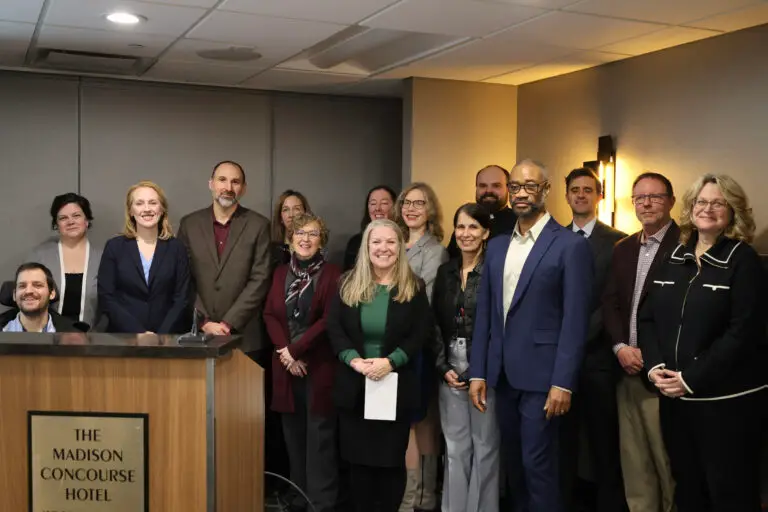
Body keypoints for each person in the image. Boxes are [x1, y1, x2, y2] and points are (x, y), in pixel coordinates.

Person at [469, 159, 593, 512]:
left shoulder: (570, 246)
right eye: (516, 187)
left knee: (539, 466)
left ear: (546, 191)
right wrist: (479, 371)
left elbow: (575, 321)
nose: (522, 194)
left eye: (530, 186)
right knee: (515, 467)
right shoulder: (496, 247)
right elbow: (487, 317)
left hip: (544, 378)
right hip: (503, 376)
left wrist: (563, 383)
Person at [640, 174, 767, 512]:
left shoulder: (744, 261)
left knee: (730, 491)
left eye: (717, 202)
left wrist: (690, 378)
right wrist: (654, 369)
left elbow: (743, 333)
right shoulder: (675, 256)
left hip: (726, 403)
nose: (707, 209)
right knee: (688, 487)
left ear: (733, 212)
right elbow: (647, 318)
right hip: (675, 400)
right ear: (690, 208)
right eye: (701, 202)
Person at [177, 161, 278, 475]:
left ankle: (244, 483)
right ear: (210, 183)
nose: (228, 187)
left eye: (235, 182)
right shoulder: (189, 224)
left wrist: (229, 323)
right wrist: (205, 320)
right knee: (199, 418)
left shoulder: (259, 225)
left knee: (245, 421)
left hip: (246, 338)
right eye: (222, 180)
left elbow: (261, 278)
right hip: (199, 335)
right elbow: (183, 279)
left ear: (243, 189)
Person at [327, 219, 432, 512]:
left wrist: (391, 362)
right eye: (376, 242)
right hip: (355, 387)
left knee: (389, 467)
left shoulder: (414, 286)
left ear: (399, 247)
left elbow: (420, 333)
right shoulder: (347, 283)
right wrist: (354, 361)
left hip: (394, 390)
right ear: (366, 247)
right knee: (357, 469)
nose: (383, 248)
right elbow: (334, 328)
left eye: (390, 242)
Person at [602, 172, 678, 512]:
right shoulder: (623, 248)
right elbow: (611, 303)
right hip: (627, 370)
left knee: (669, 464)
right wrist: (620, 346)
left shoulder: (686, 247)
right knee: (635, 464)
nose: (646, 203)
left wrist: (654, 356)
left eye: (655, 196)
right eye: (639, 198)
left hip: (666, 374)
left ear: (671, 202)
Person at [559, 168, 628, 512]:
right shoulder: (553, 238)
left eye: (588, 189)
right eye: (575, 189)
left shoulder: (619, 240)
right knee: (562, 443)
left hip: (599, 357)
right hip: (559, 363)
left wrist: (578, 337)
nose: (581, 195)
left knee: (604, 444)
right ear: (566, 195)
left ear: (600, 195)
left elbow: (613, 300)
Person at [263, 213, 341, 512]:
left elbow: (329, 319)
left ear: (321, 240)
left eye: (312, 234)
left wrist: (296, 350)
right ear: (289, 238)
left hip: (318, 366)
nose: (305, 239)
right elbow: (270, 314)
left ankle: (321, 502)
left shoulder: (333, 273)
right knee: (292, 436)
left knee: (320, 438)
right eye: (299, 233)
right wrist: (285, 351)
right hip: (286, 367)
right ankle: (298, 496)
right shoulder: (281, 273)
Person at [431, 203, 500, 512]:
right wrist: (442, 365)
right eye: (460, 226)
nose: (466, 233)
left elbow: (499, 326)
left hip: (484, 370)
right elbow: (432, 322)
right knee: (455, 448)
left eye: (474, 227)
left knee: (485, 448)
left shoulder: (495, 272)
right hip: (450, 368)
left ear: (486, 232)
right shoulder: (445, 271)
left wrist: (478, 369)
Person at [394, 182, 448, 511]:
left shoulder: (435, 250)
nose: (412, 208)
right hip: (390, 347)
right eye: (407, 202)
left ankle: (426, 494)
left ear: (430, 211)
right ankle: (408, 492)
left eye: (419, 203)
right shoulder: (393, 243)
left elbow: (422, 299)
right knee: (403, 421)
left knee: (424, 420)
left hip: (420, 345)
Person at [97, 181, 190, 333]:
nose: (147, 209)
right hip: (124, 338)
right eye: (139, 203)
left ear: (162, 209)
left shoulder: (176, 248)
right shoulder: (115, 247)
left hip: (167, 340)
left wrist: (160, 336)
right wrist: (138, 332)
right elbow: (107, 296)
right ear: (131, 211)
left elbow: (181, 299)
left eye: (153, 203)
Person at [27, 193, 102, 328]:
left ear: (87, 220)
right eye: (63, 218)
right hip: (47, 339)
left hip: (92, 339)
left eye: (76, 216)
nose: (70, 221)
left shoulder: (103, 259)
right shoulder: (39, 257)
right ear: (56, 224)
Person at [447, 165, 517, 259]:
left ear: (508, 188)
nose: (488, 191)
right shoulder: (466, 219)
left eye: (496, 185)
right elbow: (451, 260)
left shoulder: (519, 222)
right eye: (482, 186)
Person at [1, 262, 86, 332]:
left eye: (37, 285)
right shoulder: (3, 330)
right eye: (22, 286)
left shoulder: (72, 335)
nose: (28, 291)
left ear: (52, 293)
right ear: (14, 295)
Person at [344, 185, 397, 271]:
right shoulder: (355, 243)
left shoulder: (404, 241)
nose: (377, 208)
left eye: (384, 203)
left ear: (395, 207)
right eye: (373, 203)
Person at [271, 190, 311, 267]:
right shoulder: (271, 249)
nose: (291, 215)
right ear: (280, 218)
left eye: (296, 209)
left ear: (305, 213)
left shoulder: (315, 246)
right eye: (286, 210)